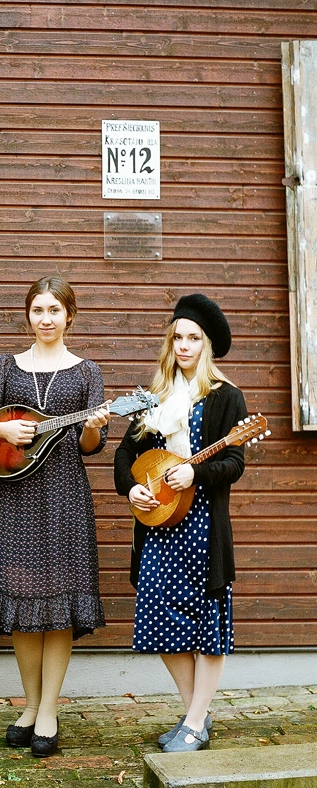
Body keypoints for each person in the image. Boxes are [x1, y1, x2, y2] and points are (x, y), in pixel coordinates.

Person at [0, 275, 109, 758]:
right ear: (29, 314)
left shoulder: (87, 373)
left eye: (55, 311)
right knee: (23, 600)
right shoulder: (5, 367)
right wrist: (3, 427)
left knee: (58, 604)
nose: (46, 319)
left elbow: (90, 445)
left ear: (70, 316)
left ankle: (49, 710)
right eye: (39, 310)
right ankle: (30, 702)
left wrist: (91, 426)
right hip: (15, 496)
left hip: (63, 494)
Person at [113, 294, 247, 753]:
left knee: (207, 623)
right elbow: (125, 455)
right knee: (160, 618)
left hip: (204, 528)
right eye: (178, 337)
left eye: (194, 338)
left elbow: (234, 462)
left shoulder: (226, 397)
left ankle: (192, 723)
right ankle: (197, 715)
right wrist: (131, 488)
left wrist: (197, 471)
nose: (184, 346)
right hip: (159, 523)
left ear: (206, 346)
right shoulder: (155, 399)